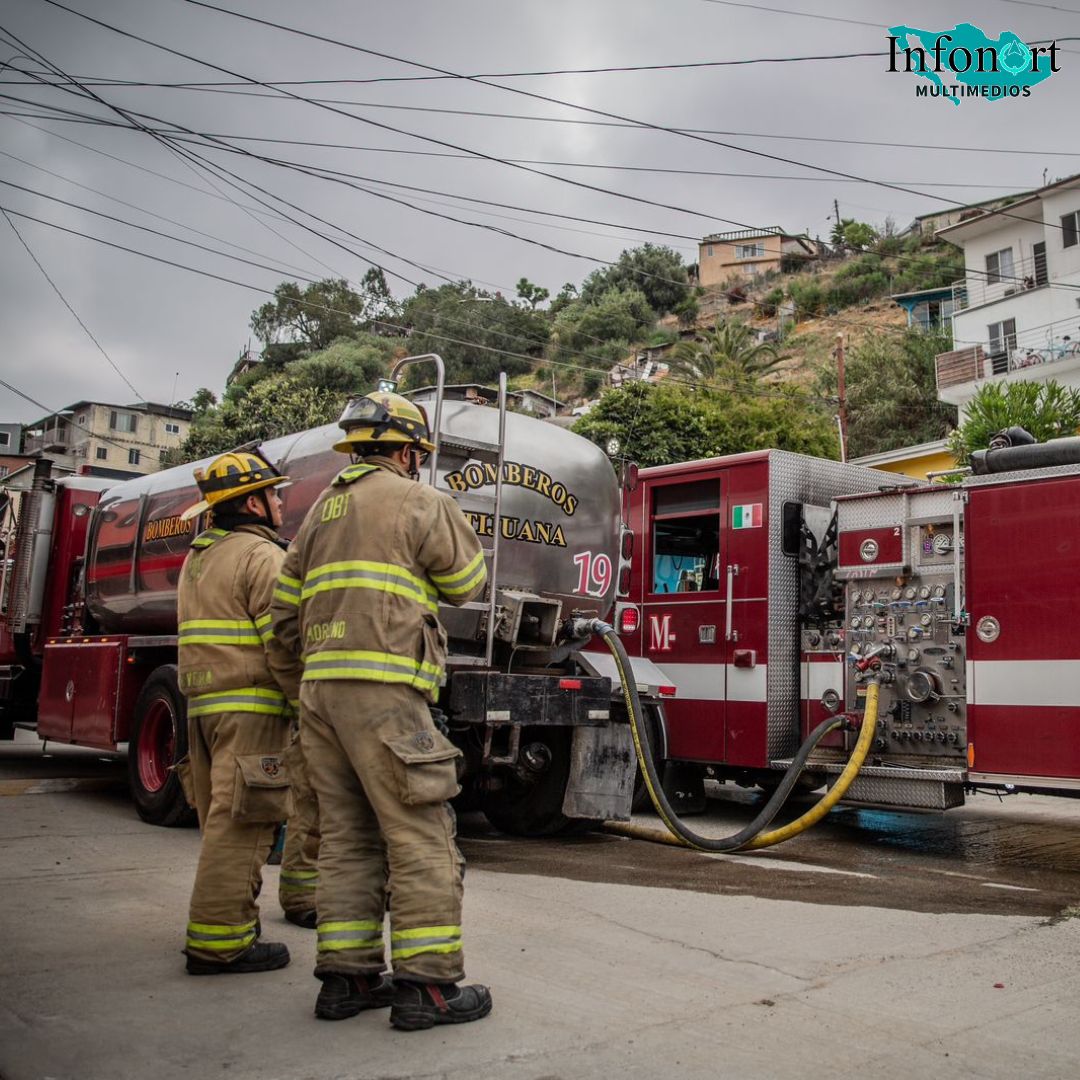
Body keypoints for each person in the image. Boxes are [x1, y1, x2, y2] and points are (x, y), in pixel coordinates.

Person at [271, 390, 492, 1030]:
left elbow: (282, 615)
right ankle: (428, 989)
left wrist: (311, 677)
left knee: (346, 838)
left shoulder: (319, 512)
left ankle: (348, 980)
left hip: (321, 695)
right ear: (407, 451)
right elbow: (466, 584)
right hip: (387, 691)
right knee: (420, 834)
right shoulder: (420, 500)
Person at [176, 448, 309, 974]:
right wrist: (305, 705)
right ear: (252, 504)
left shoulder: (199, 557)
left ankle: (232, 922)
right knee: (244, 826)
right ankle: (220, 943)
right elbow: (283, 643)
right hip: (251, 711)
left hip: (204, 709)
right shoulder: (261, 556)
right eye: (272, 494)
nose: (279, 501)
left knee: (219, 821)